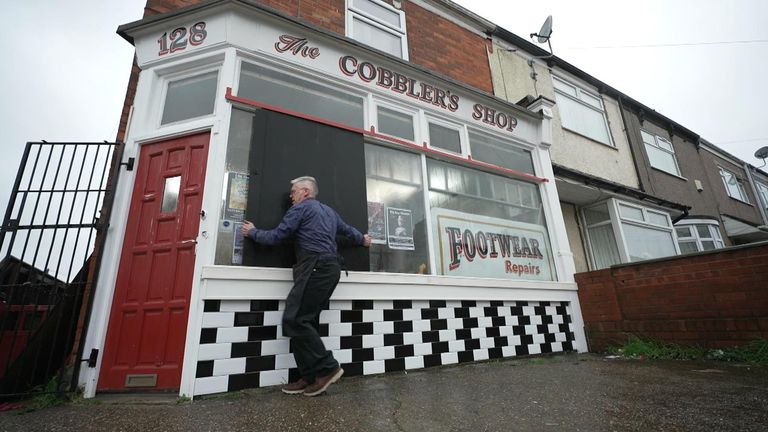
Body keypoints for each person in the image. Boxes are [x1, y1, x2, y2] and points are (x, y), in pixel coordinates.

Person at [241, 176, 372, 397]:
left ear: (305, 192)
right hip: (330, 270)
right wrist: (363, 239)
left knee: (295, 320)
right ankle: (311, 377)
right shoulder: (329, 212)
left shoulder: (300, 209)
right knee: (306, 321)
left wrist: (252, 232)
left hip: (316, 267)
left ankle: (327, 368)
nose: (291, 196)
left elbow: (278, 236)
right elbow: (348, 230)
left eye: (293, 192)